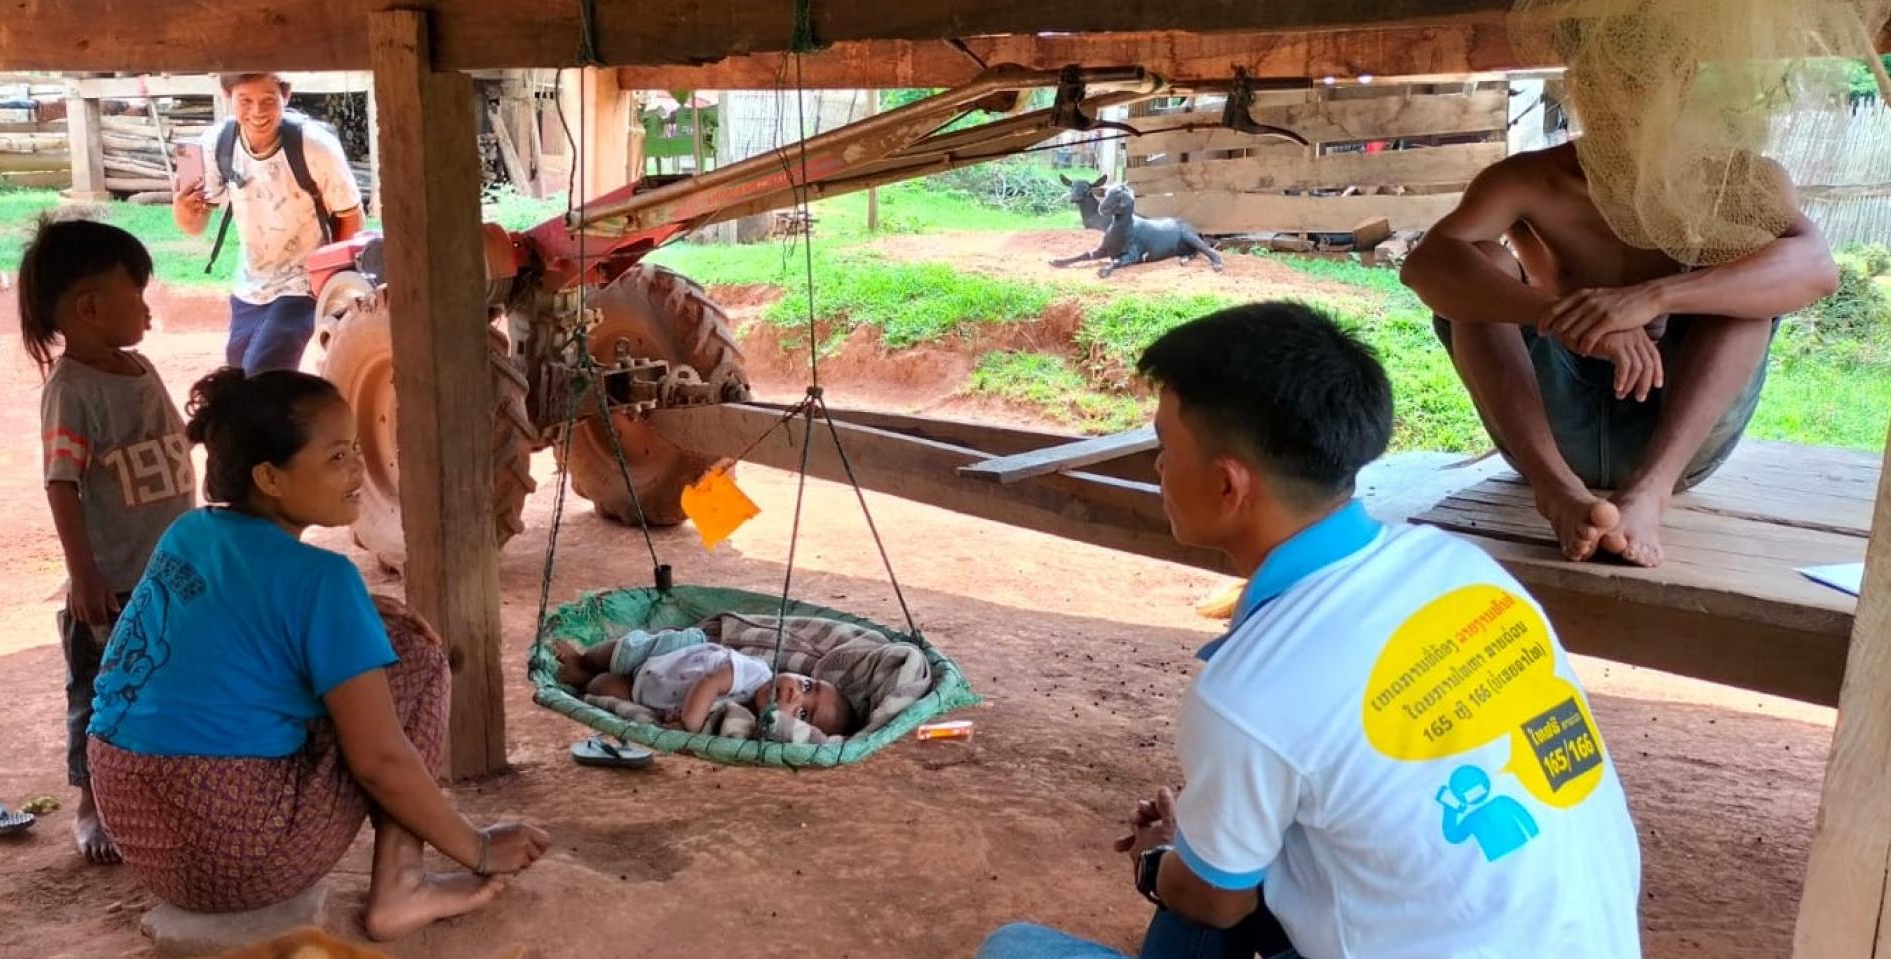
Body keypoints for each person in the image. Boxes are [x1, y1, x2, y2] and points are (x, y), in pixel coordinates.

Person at [978, 303, 1642, 959]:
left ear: (1227, 484)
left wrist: (1160, 860)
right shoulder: (1463, 571)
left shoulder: (1249, 692)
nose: (1157, 468)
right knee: (1237, 856)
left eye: (1164, 447)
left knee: (1015, 949)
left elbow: (1219, 901)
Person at [85, 368, 549, 940]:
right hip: (238, 860)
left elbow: (239, 618)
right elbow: (379, 762)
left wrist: (359, 612)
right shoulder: (323, 580)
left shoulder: (189, 533)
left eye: (356, 449)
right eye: (336, 457)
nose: (358, 469)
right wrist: (477, 849)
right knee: (418, 660)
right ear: (270, 479)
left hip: (141, 834)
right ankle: (402, 885)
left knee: (360, 657)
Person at [1400, 140, 1837, 567]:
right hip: (1548, 426)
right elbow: (1423, 266)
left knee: (1747, 287)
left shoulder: (1740, 179)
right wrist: (1568, 316)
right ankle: (1556, 491)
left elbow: (1817, 268)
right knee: (1475, 272)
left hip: (1676, 431)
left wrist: (1652, 298)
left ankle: (1650, 492)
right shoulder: (1529, 177)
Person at [19, 217, 196, 866]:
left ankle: (155, 788)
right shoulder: (71, 393)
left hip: (172, 572)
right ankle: (92, 803)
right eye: (138, 295)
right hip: (114, 582)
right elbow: (61, 483)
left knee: (170, 681)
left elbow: (172, 440)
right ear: (90, 307)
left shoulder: (139, 367)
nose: (149, 307)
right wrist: (84, 572)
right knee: (100, 696)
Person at [172, 72, 364, 375]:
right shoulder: (216, 144)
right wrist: (184, 209)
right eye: (245, 100)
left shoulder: (314, 146)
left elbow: (350, 216)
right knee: (238, 371)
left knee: (264, 372)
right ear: (227, 97)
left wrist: (329, 284)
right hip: (251, 283)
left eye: (268, 100)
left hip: (305, 283)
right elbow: (193, 226)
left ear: (285, 97)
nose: (257, 112)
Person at [553, 629, 856, 735]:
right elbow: (711, 684)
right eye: (805, 686)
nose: (793, 694)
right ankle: (584, 658)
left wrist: (676, 715)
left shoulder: (744, 719)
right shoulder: (756, 673)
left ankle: (584, 679)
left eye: (803, 713)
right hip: (667, 655)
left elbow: (711, 710)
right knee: (614, 653)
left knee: (603, 689)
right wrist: (689, 722)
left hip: (650, 690)